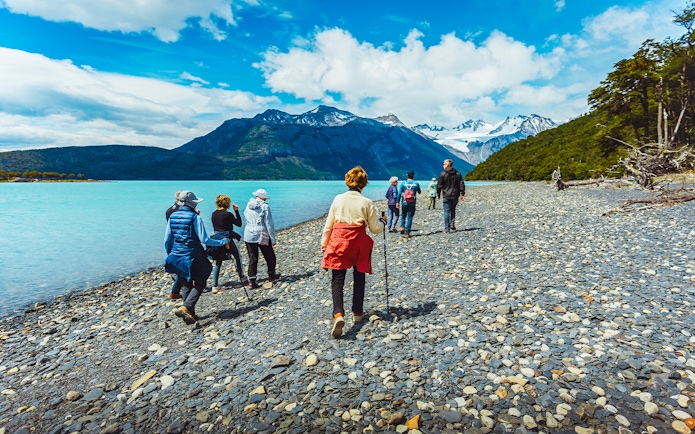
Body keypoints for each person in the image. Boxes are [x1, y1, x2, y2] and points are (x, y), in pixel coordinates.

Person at [321, 166, 386, 338]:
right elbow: (375, 228)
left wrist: (324, 244)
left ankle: (338, 314)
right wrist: (383, 222)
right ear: (364, 183)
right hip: (358, 242)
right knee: (359, 276)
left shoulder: (338, 199)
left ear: (348, 180)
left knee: (337, 279)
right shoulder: (367, 202)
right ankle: (357, 313)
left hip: (339, 240)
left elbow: (329, 225)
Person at [165, 190, 229, 324]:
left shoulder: (172, 216)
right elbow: (204, 239)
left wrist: (170, 253)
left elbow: (167, 240)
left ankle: (190, 313)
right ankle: (186, 307)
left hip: (176, 254)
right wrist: (222, 242)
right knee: (201, 280)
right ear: (191, 203)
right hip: (192, 253)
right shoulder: (195, 217)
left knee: (185, 281)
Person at [209, 194, 248, 294]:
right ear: (227, 203)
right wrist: (236, 211)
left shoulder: (213, 214)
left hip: (217, 238)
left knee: (218, 261)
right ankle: (242, 277)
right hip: (228, 238)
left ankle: (215, 285)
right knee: (237, 257)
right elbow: (239, 223)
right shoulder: (228, 214)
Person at [243, 189, 281, 289]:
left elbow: (246, 218)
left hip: (249, 233)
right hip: (262, 233)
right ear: (264, 197)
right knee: (270, 255)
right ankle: (271, 275)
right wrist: (272, 239)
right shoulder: (265, 206)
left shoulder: (248, 205)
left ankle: (252, 280)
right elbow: (269, 223)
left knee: (253, 258)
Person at [437, 159, 466, 233]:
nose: (443, 165)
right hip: (455, 195)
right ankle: (452, 223)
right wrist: (462, 194)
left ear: (447, 165)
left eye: (444, 164)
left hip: (446, 195)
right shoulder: (458, 174)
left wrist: (438, 194)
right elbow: (461, 184)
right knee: (453, 209)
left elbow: (439, 185)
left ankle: (447, 228)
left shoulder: (442, 174)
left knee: (446, 212)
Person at [165, 191, 183, 300]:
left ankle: (180, 285)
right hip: (180, 240)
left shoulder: (169, 210)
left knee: (178, 264)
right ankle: (175, 290)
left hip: (171, 238)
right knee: (183, 265)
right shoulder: (181, 210)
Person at [396, 170, 421, 239]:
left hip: (404, 202)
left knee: (403, 215)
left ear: (407, 175)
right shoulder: (416, 183)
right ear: (413, 175)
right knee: (410, 218)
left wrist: (397, 202)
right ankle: (407, 233)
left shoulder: (403, 183)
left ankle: (402, 226)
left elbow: (399, 193)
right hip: (412, 203)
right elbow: (419, 191)